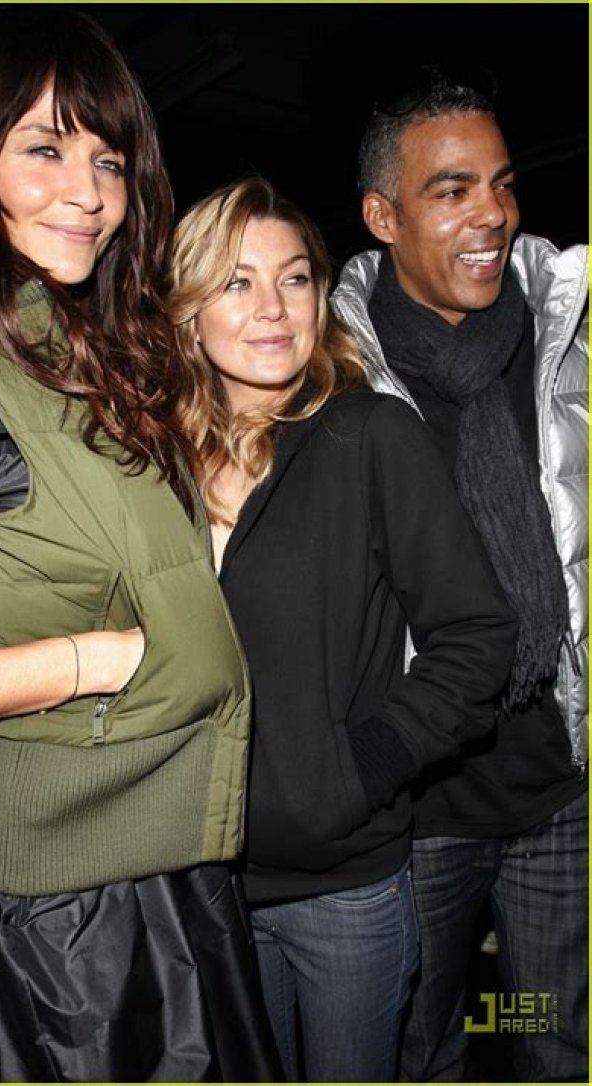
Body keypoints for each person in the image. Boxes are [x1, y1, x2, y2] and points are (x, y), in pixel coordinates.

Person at [0, 8, 281, 1082]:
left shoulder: (88, 357)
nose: (90, 193)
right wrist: (81, 663)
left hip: (179, 877)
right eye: (44, 149)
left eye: (108, 160)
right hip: (58, 930)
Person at [166, 175, 518, 1082]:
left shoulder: (369, 436)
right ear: (188, 309)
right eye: (237, 282)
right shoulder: (150, 459)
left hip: (343, 885)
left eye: (295, 278)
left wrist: (358, 770)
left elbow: (478, 636)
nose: (274, 308)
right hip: (191, 877)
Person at [331, 64, 589, 1083]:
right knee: (420, 1048)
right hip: (418, 806)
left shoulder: (567, 332)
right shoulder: (326, 370)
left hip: (560, 784)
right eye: (452, 190)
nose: (492, 212)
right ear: (382, 216)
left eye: (503, 182)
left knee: (552, 1038)